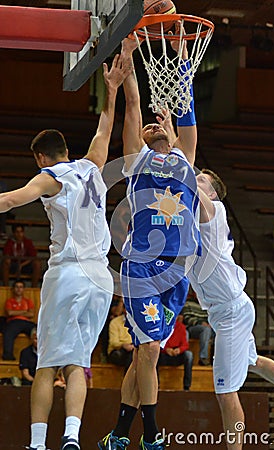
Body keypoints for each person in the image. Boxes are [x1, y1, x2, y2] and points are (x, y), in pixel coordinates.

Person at [0, 54, 129, 450]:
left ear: (41, 157)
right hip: (101, 277)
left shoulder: (48, 176)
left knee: (45, 363)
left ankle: (38, 444)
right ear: (65, 149)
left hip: (69, 272)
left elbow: (11, 200)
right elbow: (106, 126)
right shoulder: (91, 165)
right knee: (78, 363)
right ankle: (72, 436)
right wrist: (112, 89)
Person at [98, 33, 201, 450]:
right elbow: (135, 105)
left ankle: (120, 433)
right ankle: (152, 436)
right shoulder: (137, 159)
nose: (154, 125)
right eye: (148, 126)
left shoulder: (186, 158)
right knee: (149, 354)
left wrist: (178, 54)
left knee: (146, 351)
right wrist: (128, 58)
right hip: (142, 266)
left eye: (164, 124)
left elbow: (188, 112)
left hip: (178, 270)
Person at [187, 168, 274, 449]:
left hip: (231, 312)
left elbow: (183, 175)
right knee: (253, 361)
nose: (195, 179)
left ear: (212, 193)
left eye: (202, 180)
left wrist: (176, 147)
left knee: (225, 392)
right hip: (228, 309)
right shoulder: (191, 218)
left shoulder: (213, 210)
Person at [2, 279, 36, 360]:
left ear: (23, 289)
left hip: (26, 322)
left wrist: (16, 312)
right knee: (8, 332)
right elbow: (10, 313)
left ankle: (40, 356)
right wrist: (24, 312)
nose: (19, 289)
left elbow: (31, 314)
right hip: (14, 322)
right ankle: (8, 355)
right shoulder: (10, 301)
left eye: (21, 287)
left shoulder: (28, 301)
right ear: (13, 289)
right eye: (17, 287)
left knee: (38, 331)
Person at [158, 314, 193, 391]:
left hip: (177, 353)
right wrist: (166, 349)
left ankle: (186, 386)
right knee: (155, 354)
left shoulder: (181, 327)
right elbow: (158, 343)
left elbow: (185, 345)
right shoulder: (161, 326)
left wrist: (179, 350)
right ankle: (157, 384)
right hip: (164, 353)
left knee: (189, 355)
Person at [182, 292, 214, 366]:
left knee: (219, 332)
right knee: (206, 329)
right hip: (192, 328)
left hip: (207, 327)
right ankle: (203, 358)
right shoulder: (188, 303)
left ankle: (214, 359)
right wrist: (200, 322)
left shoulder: (207, 306)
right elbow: (187, 318)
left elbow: (211, 318)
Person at [107, 300, 134, 371]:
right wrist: (123, 345)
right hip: (118, 349)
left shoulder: (138, 323)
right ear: (124, 309)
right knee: (131, 357)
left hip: (134, 348)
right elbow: (113, 342)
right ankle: (129, 381)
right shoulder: (115, 322)